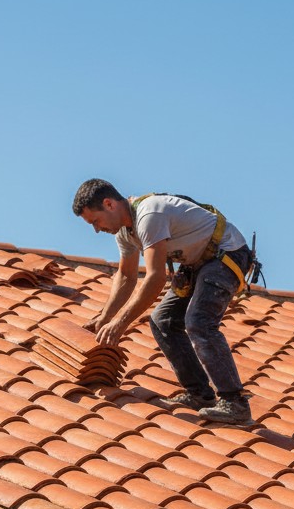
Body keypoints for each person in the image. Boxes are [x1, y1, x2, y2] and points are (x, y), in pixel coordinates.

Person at [71, 178, 254, 426]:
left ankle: (235, 403)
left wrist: (120, 324)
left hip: (226, 254)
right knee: (162, 320)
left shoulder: (149, 215)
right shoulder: (125, 233)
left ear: (109, 204)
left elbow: (155, 278)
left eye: (95, 221)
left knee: (198, 321)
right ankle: (200, 394)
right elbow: (126, 276)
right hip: (197, 263)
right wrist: (104, 318)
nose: (96, 229)